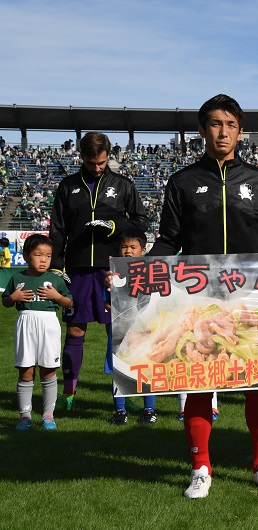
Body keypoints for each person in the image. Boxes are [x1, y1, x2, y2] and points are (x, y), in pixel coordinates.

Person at [149, 94, 258, 498]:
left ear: (241, 132)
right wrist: (131, 275)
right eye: (214, 123)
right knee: (198, 381)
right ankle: (200, 468)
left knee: (257, 382)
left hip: (248, 300)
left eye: (230, 125)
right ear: (202, 129)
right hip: (198, 302)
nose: (222, 132)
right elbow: (169, 240)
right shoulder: (182, 182)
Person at [49, 132, 149, 411]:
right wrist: (57, 268)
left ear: (108, 157)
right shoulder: (68, 186)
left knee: (119, 333)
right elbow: (57, 229)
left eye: (102, 163)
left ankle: (123, 395)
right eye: (92, 163)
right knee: (75, 330)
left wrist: (115, 227)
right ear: (82, 157)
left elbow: (141, 222)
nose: (97, 168)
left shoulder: (123, 185)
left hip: (113, 270)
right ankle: (68, 394)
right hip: (78, 270)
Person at [3, 234, 73, 430]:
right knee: (26, 371)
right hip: (25, 324)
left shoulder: (55, 280)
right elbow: (6, 302)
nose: (44, 260)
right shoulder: (18, 278)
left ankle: (48, 415)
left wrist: (56, 296)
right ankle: (25, 416)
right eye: (38, 255)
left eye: (48, 256)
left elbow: (69, 302)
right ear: (26, 256)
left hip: (48, 325)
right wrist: (14, 297)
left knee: (48, 370)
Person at [106, 229, 158, 426]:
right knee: (119, 370)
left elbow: (157, 302)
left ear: (143, 250)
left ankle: (149, 410)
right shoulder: (114, 274)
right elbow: (106, 302)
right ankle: (120, 411)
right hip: (120, 331)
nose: (128, 251)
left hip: (145, 331)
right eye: (124, 247)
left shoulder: (151, 273)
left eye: (133, 247)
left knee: (146, 368)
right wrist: (116, 310)